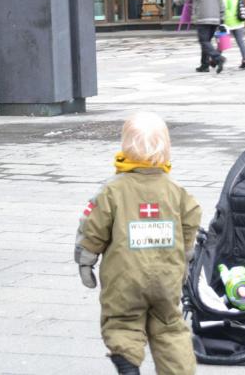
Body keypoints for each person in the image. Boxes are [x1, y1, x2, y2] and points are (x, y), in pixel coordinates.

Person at [74, 112, 202, 375]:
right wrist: (186, 255)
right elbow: (192, 221)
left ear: (125, 146)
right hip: (167, 277)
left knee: (122, 320)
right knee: (169, 325)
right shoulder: (176, 191)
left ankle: (127, 360)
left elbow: (92, 227)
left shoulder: (112, 190)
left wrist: (86, 260)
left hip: (124, 278)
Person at [173, 0, 225, 73]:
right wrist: (222, 17)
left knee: (204, 41)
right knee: (206, 42)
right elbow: (221, 3)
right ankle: (204, 65)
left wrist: (176, 1)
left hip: (203, 17)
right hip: (215, 19)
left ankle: (218, 58)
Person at [219, 0, 245, 69]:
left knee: (222, 42)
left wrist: (221, 20)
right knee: (241, 42)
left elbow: (223, 8)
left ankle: (214, 60)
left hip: (228, 22)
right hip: (239, 21)